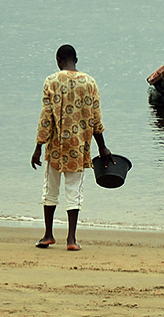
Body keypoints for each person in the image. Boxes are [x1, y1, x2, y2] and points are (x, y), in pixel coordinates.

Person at [31, 44, 113, 251]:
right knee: (74, 191)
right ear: (76, 59)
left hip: (56, 147)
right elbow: (96, 118)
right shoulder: (89, 82)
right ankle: (71, 240)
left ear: (59, 60)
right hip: (79, 147)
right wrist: (102, 147)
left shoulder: (51, 81)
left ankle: (48, 235)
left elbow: (46, 118)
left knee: (50, 189)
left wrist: (38, 146)